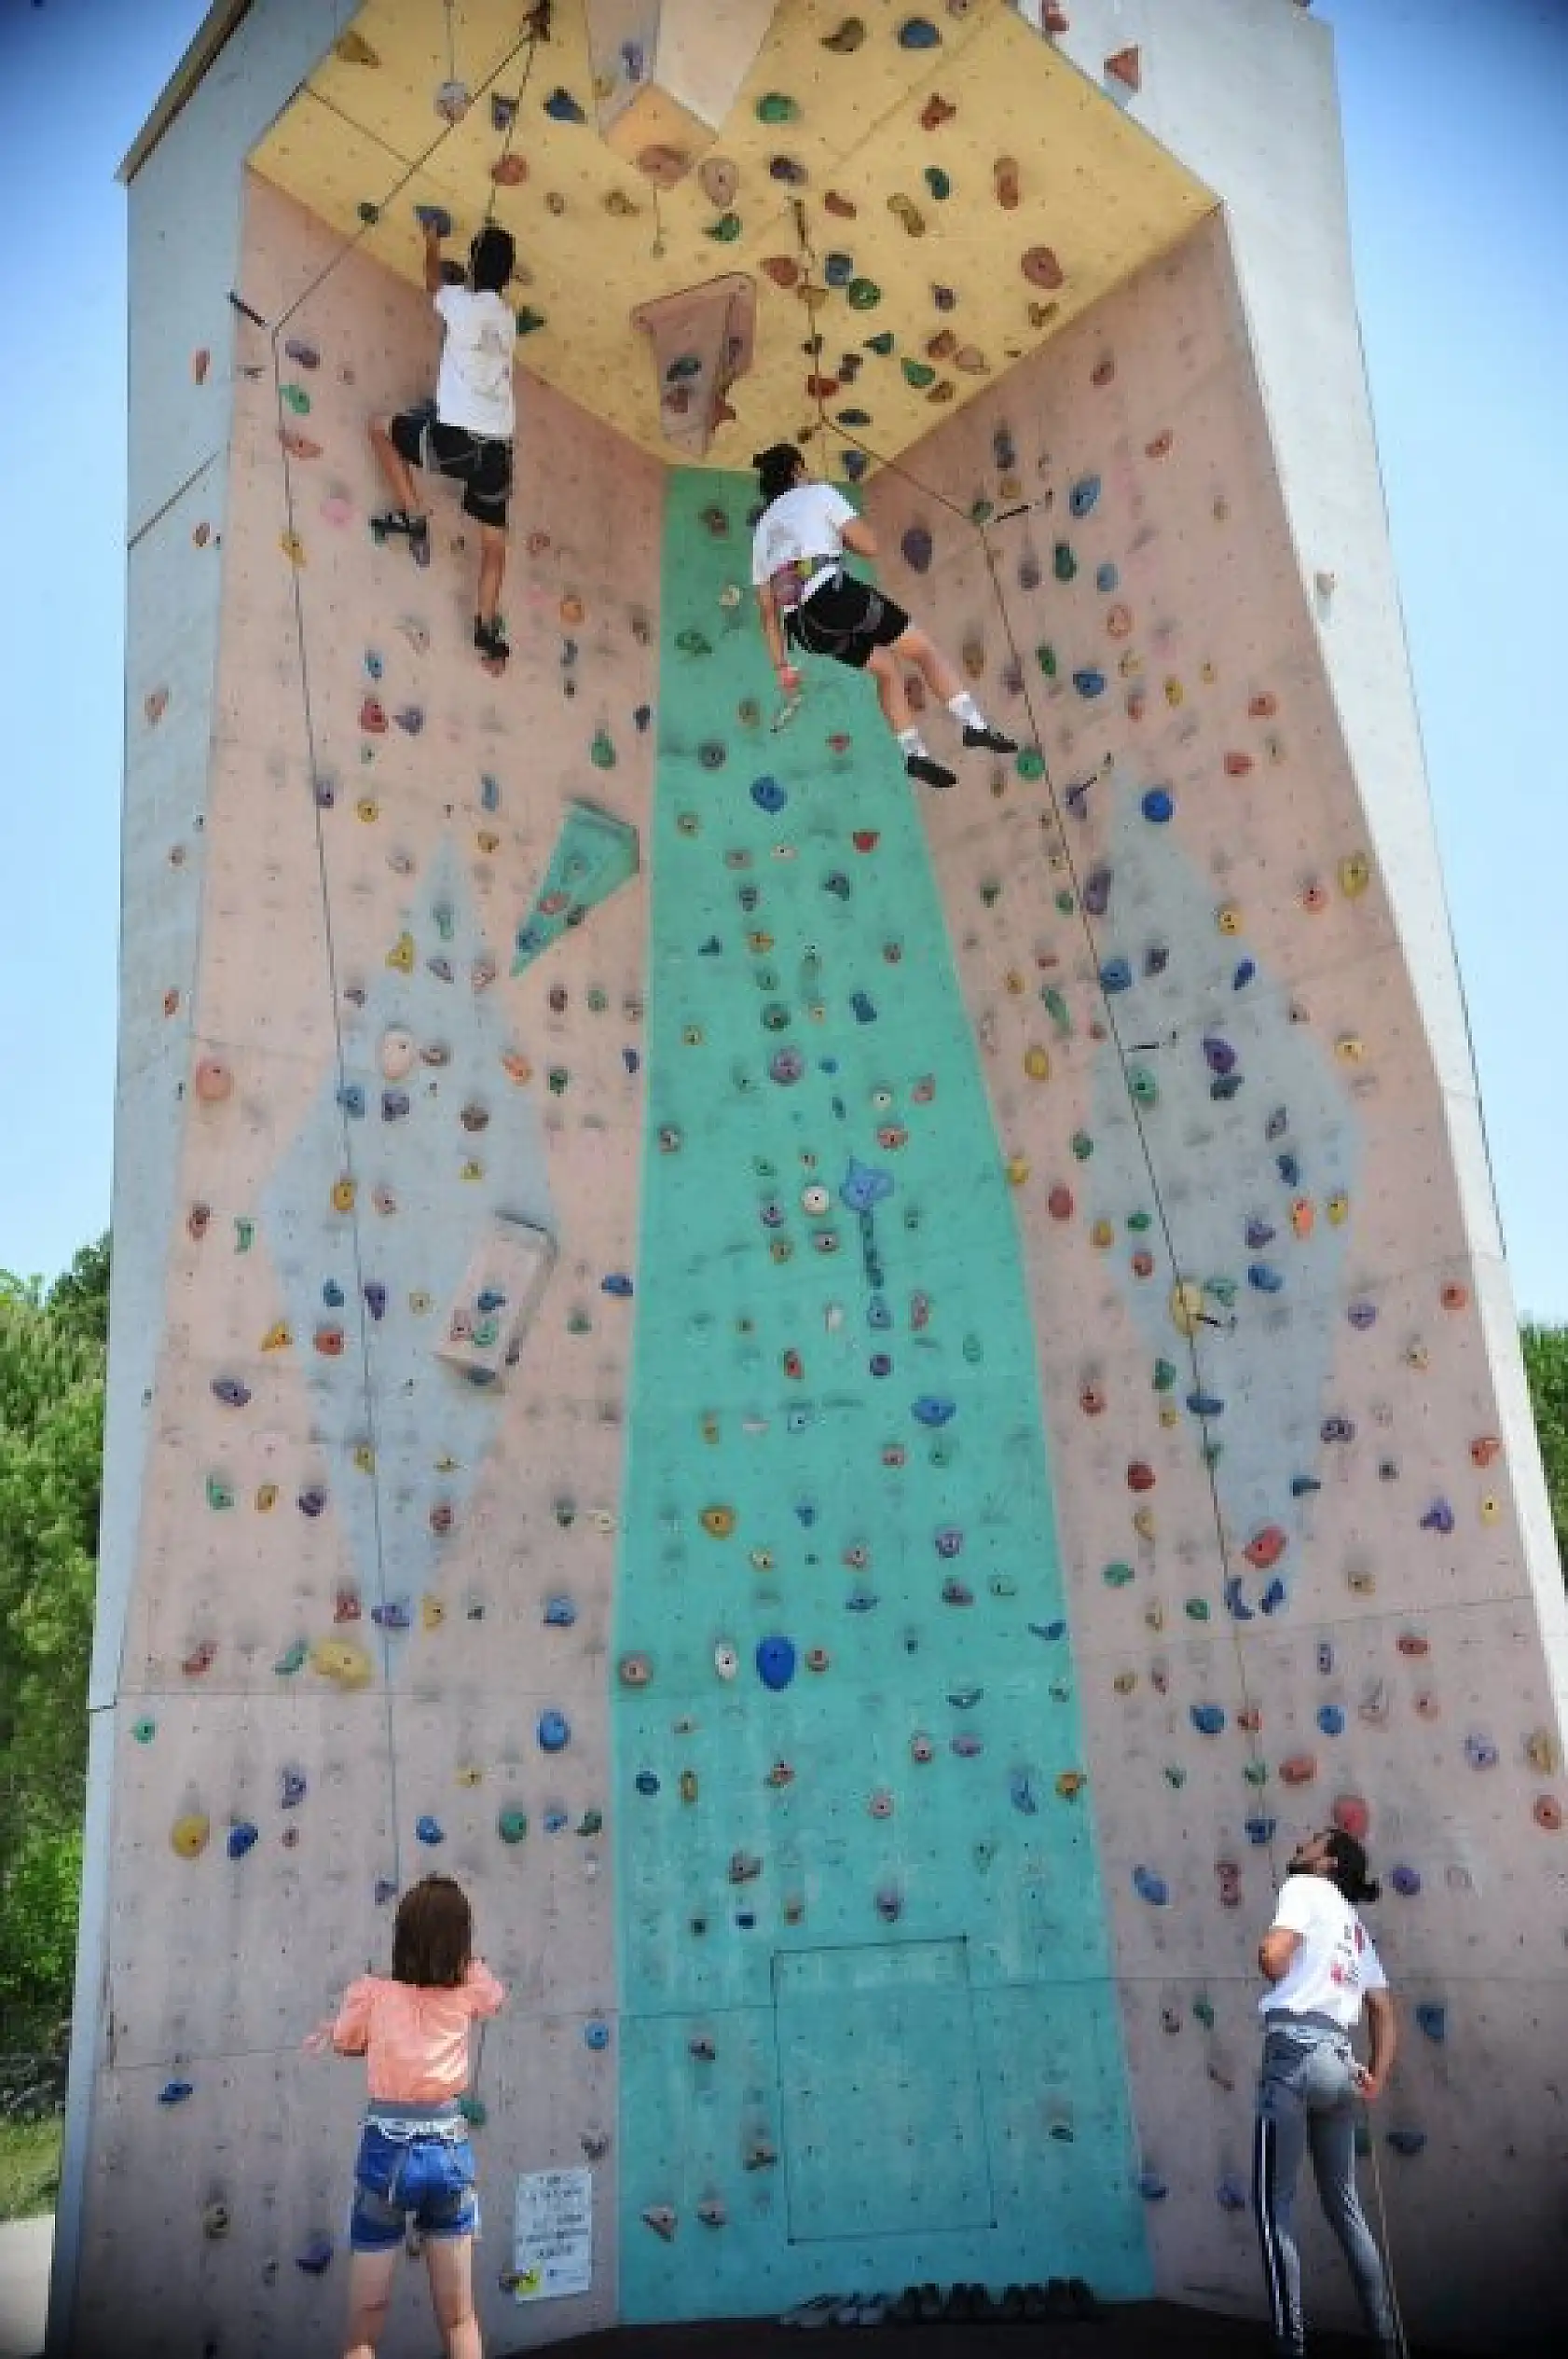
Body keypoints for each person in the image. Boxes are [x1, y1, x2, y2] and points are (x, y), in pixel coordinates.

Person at [305, 1873, 504, 2359]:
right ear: (462, 1940)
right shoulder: (466, 1995)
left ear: (401, 1936)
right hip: (448, 2153)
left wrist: (335, 2030)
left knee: (362, 2332)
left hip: (387, 2155)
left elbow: (349, 2041)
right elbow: (493, 1994)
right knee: (459, 2319)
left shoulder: (372, 1994)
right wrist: (467, 1961)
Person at [750, 442, 1018, 790]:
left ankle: (914, 754)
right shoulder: (817, 493)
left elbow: (767, 613)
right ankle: (975, 726)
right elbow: (869, 545)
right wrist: (831, 523)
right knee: (921, 650)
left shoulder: (761, 531)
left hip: (803, 629)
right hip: (835, 597)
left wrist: (781, 667)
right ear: (797, 470)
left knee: (887, 671)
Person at [1254, 1828, 1401, 2359]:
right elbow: (1384, 2010)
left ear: (1328, 1862)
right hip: (1340, 2063)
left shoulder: (1304, 1888)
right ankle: (1385, 2338)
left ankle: (1290, 2344)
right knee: (1346, 2206)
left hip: (1292, 2055)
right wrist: (1377, 2078)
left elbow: (1276, 1954)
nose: (1302, 1843)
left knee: (1275, 2209)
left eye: (1314, 1840)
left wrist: (1268, 1957)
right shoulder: (1355, 1927)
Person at [370, 218, 519, 669]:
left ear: (472, 267)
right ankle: (485, 630)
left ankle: (413, 516)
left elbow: (433, 282)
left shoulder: (460, 303)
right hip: (496, 448)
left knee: (379, 427)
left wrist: (433, 238)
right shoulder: (507, 320)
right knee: (493, 545)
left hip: (457, 440)